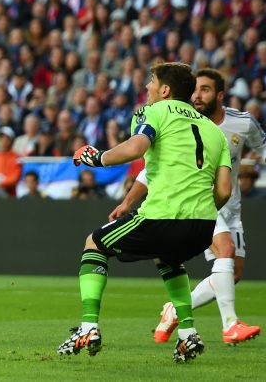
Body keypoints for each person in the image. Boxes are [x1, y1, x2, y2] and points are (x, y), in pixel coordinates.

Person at [57, 62, 231, 363]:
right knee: (169, 258)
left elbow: (136, 147)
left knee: (95, 244)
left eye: (151, 82)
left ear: (165, 90)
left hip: (162, 215)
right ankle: (188, 334)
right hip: (203, 225)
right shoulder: (213, 131)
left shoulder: (154, 111)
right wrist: (199, 211)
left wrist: (97, 157)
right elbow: (225, 190)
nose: (147, 87)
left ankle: (88, 327)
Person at [113, 68, 263, 344]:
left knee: (233, 273)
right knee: (225, 251)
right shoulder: (176, 122)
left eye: (205, 90)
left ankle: (175, 310)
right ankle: (230, 324)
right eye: (195, 90)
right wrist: (127, 201)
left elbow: (263, 149)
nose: (196, 96)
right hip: (197, 204)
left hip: (230, 207)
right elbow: (150, 171)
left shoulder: (241, 124)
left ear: (220, 95)